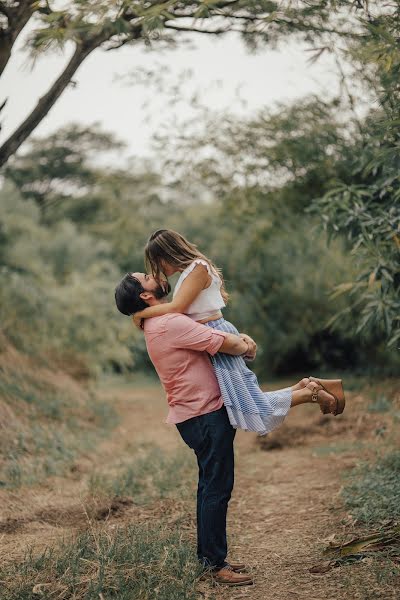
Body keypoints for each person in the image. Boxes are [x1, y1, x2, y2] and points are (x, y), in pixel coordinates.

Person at [114, 271, 345, 587]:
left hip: (197, 415)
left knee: (211, 486)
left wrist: (238, 343)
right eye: (146, 276)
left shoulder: (158, 323)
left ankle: (308, 390)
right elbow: (227, 344)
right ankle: (214, 565)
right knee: (216, 489)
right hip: (204, 417)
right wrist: (246, 342)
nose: (154, 275)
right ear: (144, 295)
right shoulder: (169, 324)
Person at [132, 229, 346, 435]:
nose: (157, 269)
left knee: (250, 405)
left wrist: (142, 313)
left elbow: (177, 308)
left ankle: (312, 393)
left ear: (169, 253)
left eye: (157, 261)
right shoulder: (189, 273)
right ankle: (306, 387)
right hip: (212, 336)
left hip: (214, 334)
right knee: (248, 400)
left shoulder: (198, 267)